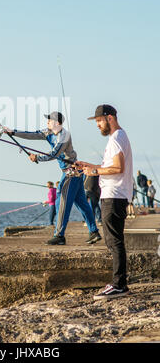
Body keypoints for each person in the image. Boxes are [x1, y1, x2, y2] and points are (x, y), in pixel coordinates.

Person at [4, 111, 101, 246]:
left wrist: (37, 157)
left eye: (49, 120)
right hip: (72, 173)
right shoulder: (48, 132)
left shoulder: (64, 136)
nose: (47, 123)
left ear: (57, 123)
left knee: (61, 202)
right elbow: (32, 134)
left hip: (71, 173)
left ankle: (59, 235)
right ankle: (94, 232)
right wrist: (12, 132)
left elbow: (54, 153)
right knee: (82, 204)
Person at [76, 104, 133, 300]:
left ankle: (119, 285)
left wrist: (94, 172)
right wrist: (88, 166)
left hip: (114, 195)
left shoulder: (117, 138)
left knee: (114, 241)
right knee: (114, 240)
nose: (98, 125)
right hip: (115, 194)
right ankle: (119, 283)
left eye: (99, 120)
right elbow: (109, 166)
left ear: (109, 118)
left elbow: (118, 168)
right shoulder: (118, 137)